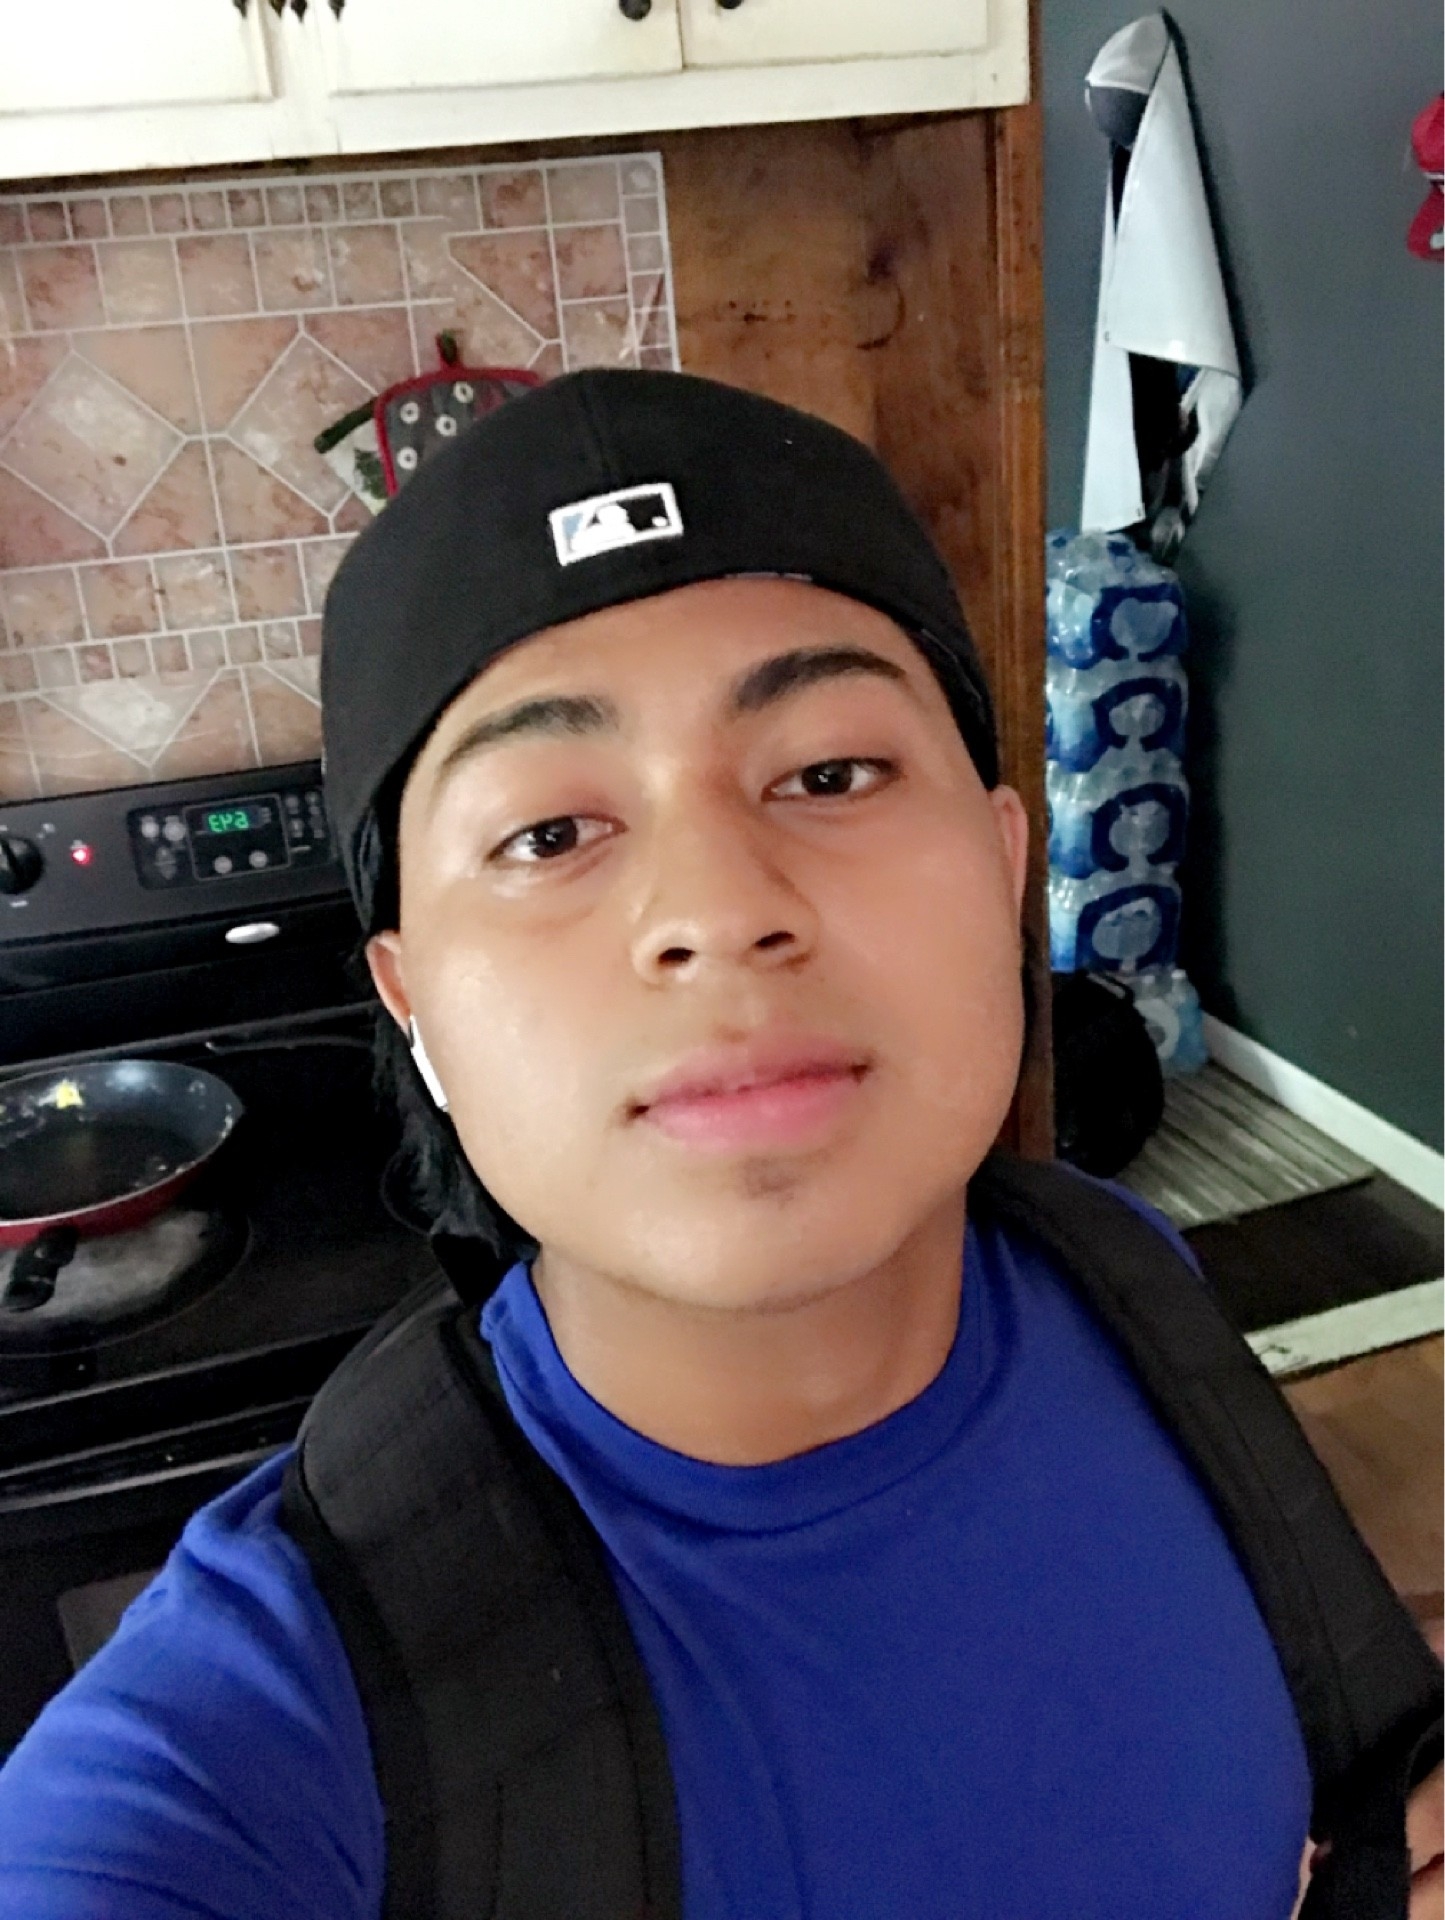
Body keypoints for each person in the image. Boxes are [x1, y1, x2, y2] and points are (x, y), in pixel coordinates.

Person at [0, 370, 1437, 1919]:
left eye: (829, 773)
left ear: (1001, 865)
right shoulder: (266, 1729)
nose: (717, 908)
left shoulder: (1121, 1283)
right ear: (413, 1004)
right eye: (548, 833)